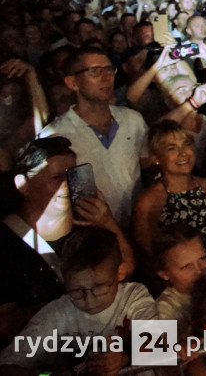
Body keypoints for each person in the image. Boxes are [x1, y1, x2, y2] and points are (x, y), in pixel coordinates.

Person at [0, 137, 135, 347]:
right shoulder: (4, 242)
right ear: (23, 184)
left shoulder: (89, 224)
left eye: (71, 176)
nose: (66, 185)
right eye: (55, 177)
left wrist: (108, 223)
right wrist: (68, 305)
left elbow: (125, 269)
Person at [0, 226, 157, 375]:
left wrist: (125, 357)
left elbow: (162, 346)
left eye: (99, 286)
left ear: (120, 273)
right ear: (65, 280)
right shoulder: (57, 313)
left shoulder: (134, 296)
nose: (89, 299)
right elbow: (7, 366)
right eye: (77, 290)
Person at [38, 46, 150, 230]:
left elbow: (147, 165)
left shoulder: (133, 119)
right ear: (72, 82)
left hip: (139, 227)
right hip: (95, 238)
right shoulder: (55, 135)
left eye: (108, 70)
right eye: (95, 72)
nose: (107, 78)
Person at [133, 120, 206, 273]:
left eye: (187, 145)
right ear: (157, 158)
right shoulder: (149, 202)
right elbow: (147, 256)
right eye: (172, 148)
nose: (182, 153)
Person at [152, 222, 206, 324]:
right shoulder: (164, 312)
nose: (199, 270)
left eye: (202, 258)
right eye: (186, 267)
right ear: (164, 274)